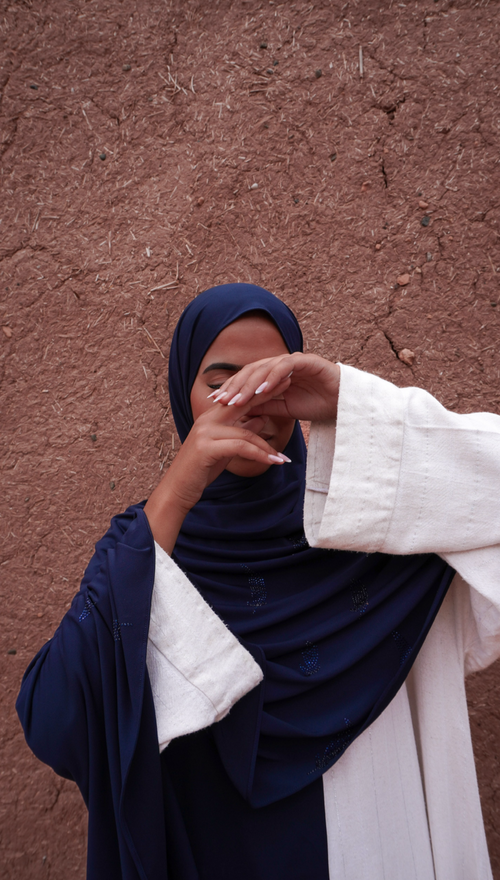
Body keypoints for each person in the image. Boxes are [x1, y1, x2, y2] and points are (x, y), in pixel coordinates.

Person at [17, 283, 500, 880]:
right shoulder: (145, 547)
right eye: (220, 382)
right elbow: (57, 719)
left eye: (274, 380)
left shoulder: (372, 525)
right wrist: (175, 492)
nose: (249, 401)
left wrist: (351, 406)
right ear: (181, 395)